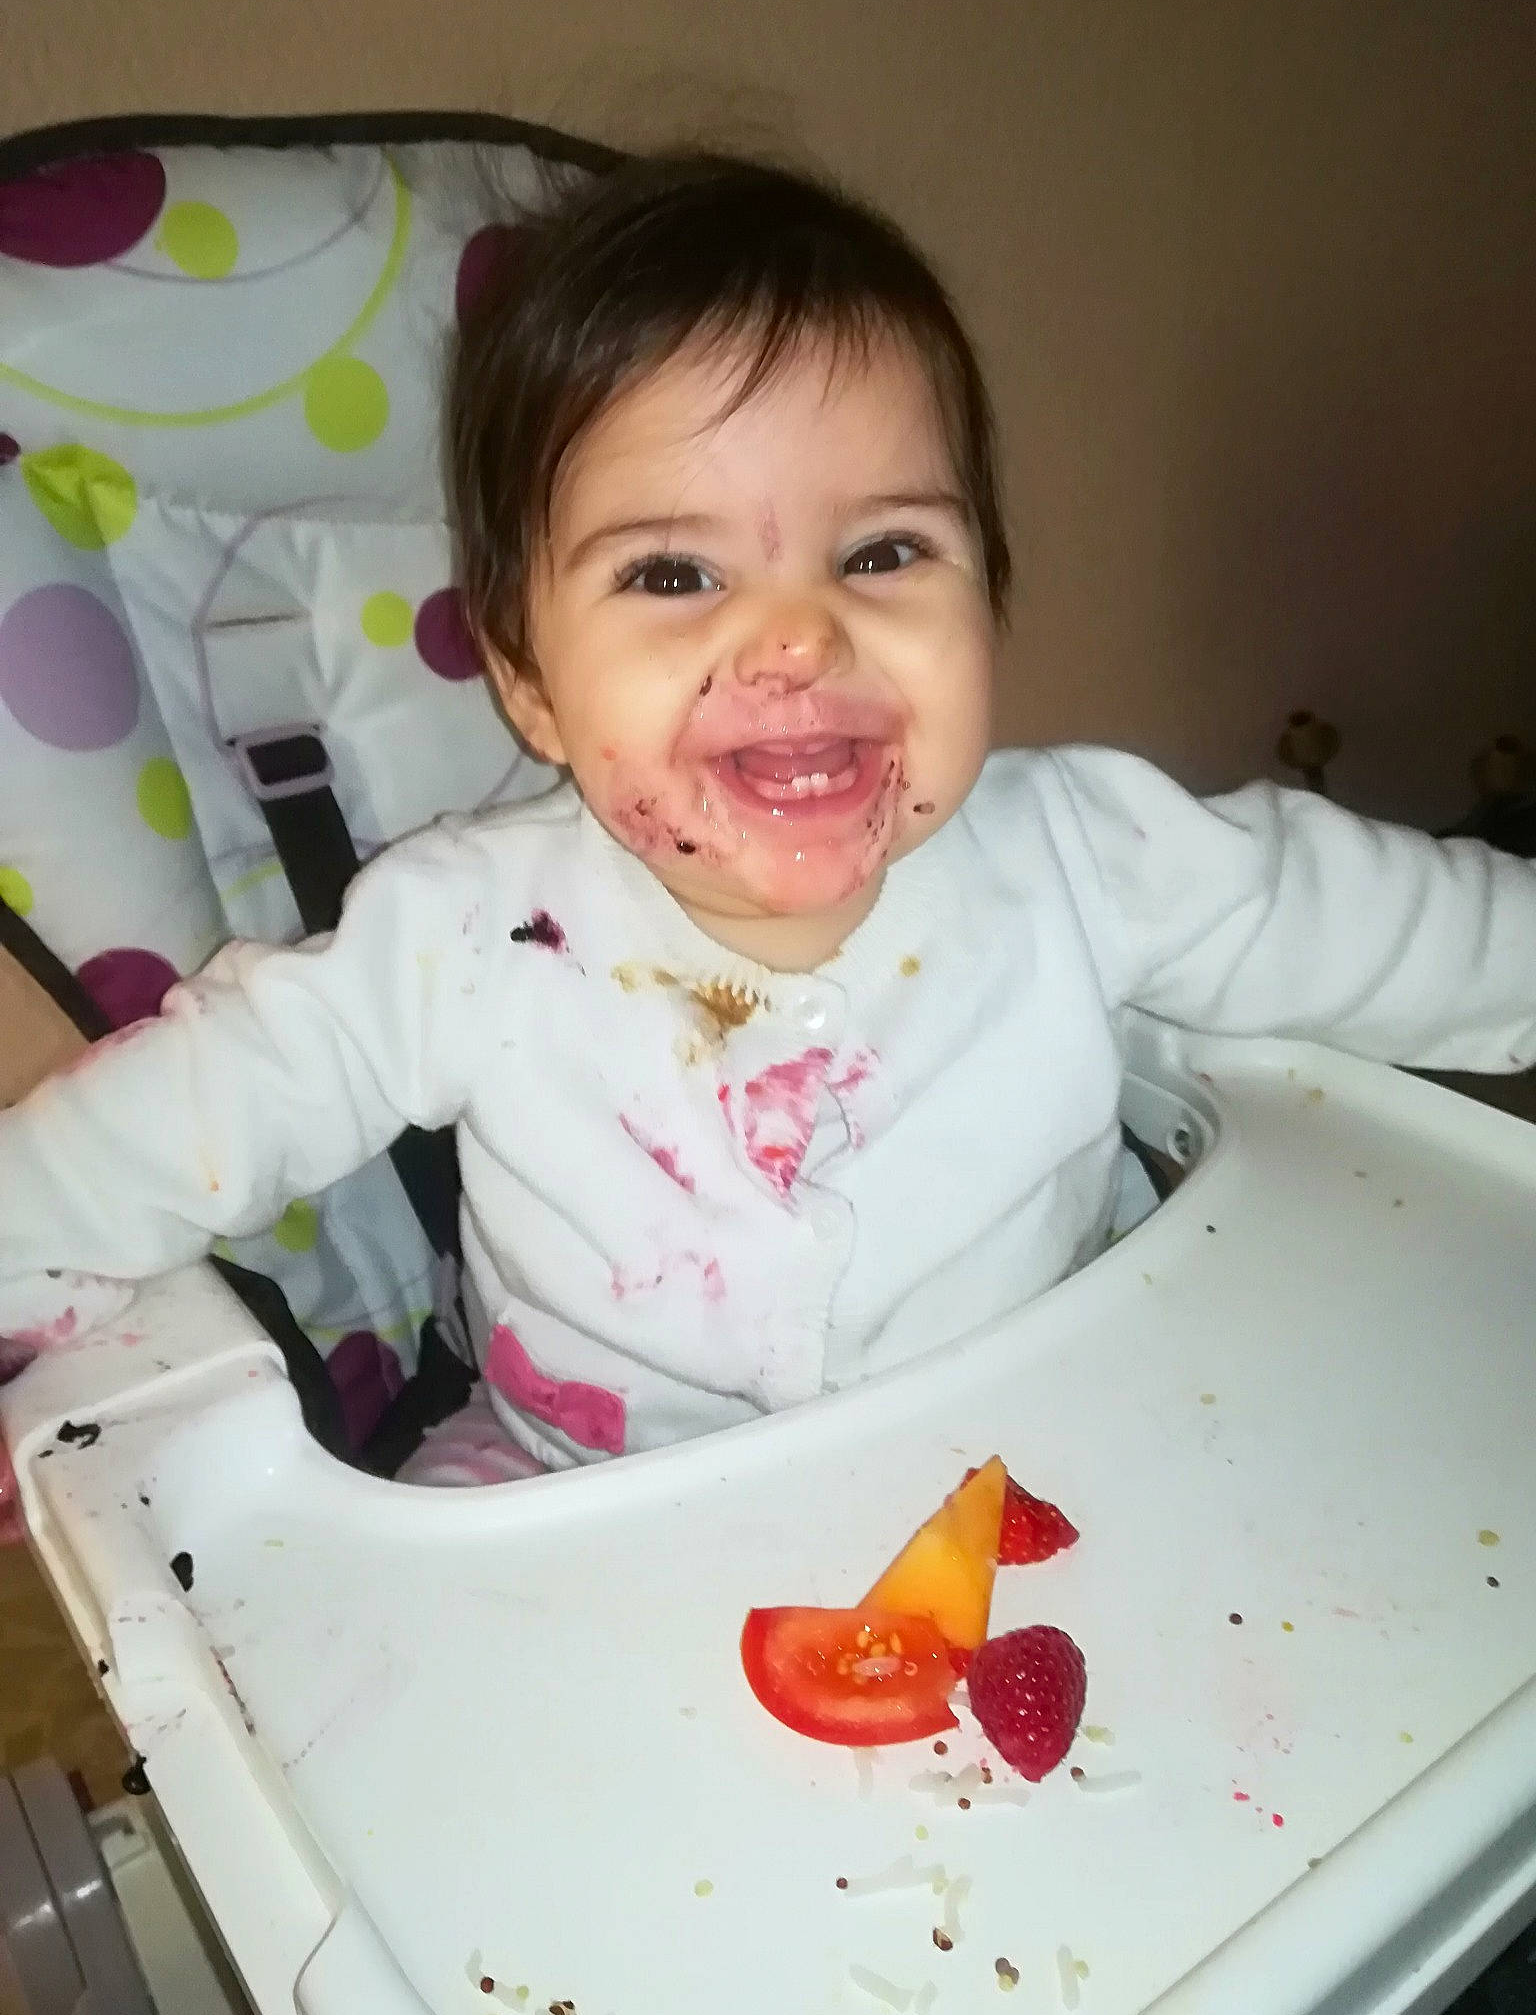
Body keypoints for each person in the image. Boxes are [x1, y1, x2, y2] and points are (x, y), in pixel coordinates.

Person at [1, 152, 1534, 1490]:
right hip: (592, 1489)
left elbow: (1388, 927)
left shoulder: (1084, 854)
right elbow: (202, 1101)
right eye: (674, 575)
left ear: (987, 599)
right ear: (529, 685)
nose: (797, 636)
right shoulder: (470, 935)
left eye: (883, 554)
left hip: (1055, 1451)